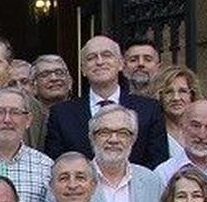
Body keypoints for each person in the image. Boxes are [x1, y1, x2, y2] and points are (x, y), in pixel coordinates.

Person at [43, 35, 167, 168]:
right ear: (83, 69)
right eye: (91, 58)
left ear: (121, 64)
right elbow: (56, 164)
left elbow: (158, 163)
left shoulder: (149, 109)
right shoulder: (61, 114)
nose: (100, 62)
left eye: (106, 55)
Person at [88, 105, 164, 202]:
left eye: (122, 133)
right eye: (105, 132)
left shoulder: (152, 181)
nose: (113, 140)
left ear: (133, 139)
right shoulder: (73, 180)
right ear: (92, 137)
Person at [151, 64, 200, 162]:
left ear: (192, 95)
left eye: (182, 91)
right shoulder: (152, 133)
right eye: (169, 92)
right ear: (160, 96)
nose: (176, 98)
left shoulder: (202, 128)